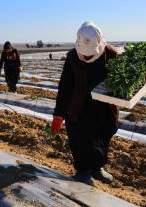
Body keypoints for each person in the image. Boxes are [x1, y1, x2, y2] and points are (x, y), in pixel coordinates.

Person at [51, 21, 119, 185]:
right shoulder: (73, 57)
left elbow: (120, 80)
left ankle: (98, 168)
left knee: (103, 134)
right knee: (79, 137)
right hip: (78, 105)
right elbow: (65, 86)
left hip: (103, 105)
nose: (87, 56)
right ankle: (82, 171)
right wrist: (59, 114)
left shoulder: (111, 54)